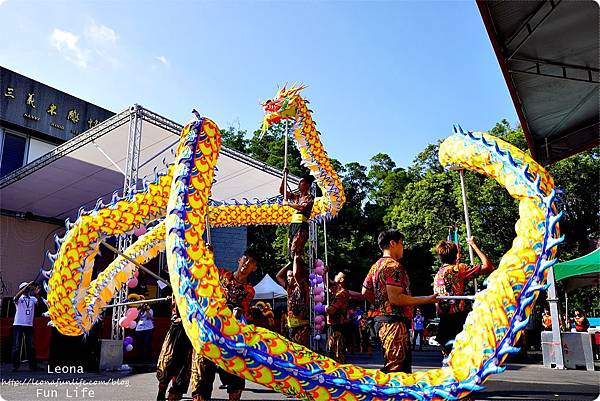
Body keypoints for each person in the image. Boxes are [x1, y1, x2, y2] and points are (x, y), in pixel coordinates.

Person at [362, 230, 437, 373]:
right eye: (401, 243)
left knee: (394, 365)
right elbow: (396, 298)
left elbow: (365, 291)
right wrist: (427, 299)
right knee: (397, 371)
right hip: (393, 323)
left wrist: (380, 304)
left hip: (382, 321)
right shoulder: (393, 266)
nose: (403, 247)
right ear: (392, 243)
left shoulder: (375, 266)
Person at [191, 250, 257, 401]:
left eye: (251, 262)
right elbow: (206, 272)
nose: (247, 263)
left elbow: (244, 314)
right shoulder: (222, 275)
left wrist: (239, 312)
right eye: (245, 259)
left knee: (235, 381)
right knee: (202, 378)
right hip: (209, 332)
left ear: (254, 268)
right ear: (239, 260)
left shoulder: (249, 291)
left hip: (230, 337)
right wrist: (209, 254)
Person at [433, 236, 494, 356]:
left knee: (449, 354)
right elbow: (488, 266)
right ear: (456, 255)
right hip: (458, 317)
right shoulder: (459, 269)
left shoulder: (438, 274)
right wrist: (473, 245)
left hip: (444, 318)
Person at [280, 172, 315, 284]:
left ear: (307, 185)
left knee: (296, 249)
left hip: (302, 224)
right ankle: (298, 272)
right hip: (293, 224)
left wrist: (288, 204)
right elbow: (282, 191)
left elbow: (301, 207)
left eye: (302, 182)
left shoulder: (310, 198)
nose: (299, 184)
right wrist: (284, 176)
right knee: (290, 251)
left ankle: (300, 274)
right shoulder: (296, 196)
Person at [156, 297, 193, 401]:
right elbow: (175, 307)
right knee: (166, 366)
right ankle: (161, 394)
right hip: (175, 332)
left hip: (188, 332)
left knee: (181, 370)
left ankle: (174, 393)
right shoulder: (177, 290)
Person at [276, 262, 310, 346]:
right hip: (291, 325)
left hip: (301, 325)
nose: (288, 278)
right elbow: (278, 276)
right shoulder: (289, 288)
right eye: (287, 276)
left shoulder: (303, 285)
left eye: (290, 276)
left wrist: (296, 261)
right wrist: (289, 263)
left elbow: (298, 274)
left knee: (300, 350)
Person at [12, 281, 40, 371]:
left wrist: (36, 293)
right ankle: (15, 366)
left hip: (29, 325)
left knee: (31, 346)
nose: (27, 289)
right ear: (21, 289)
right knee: (17, 346)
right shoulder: (19, 298)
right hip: (18, 324)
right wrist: (26, 286)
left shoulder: (32, 299)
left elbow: (38, 304)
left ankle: (33, 366)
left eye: (28, 287)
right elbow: (15, 298)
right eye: (25, 288)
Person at [326, 272, 350, 363]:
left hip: (338, 327)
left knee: (336, 353)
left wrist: (323, 308)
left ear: (341, 280)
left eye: (337, 276)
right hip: (336, 326)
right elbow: (328, 283)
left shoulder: (341, 294)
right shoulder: (338, 291)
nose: (335, 276)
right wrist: (325, 274)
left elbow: (332, 310)